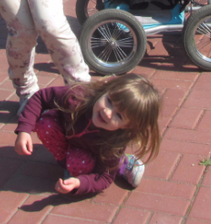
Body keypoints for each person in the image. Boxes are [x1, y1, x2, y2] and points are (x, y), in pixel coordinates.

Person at [14, 74, 161, 194]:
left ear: (128, 126)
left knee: (79, 164)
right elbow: (41, 97)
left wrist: (80, 183)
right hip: (70, 137)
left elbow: (105, 178)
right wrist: (24, 130)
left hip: (90, 154)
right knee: (45, 123)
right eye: (109, 101)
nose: (107, 112)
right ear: (105, 90)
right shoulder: (76, 97)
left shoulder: (114, 142)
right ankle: (65, 162)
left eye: (119, 116)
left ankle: (122, 164)